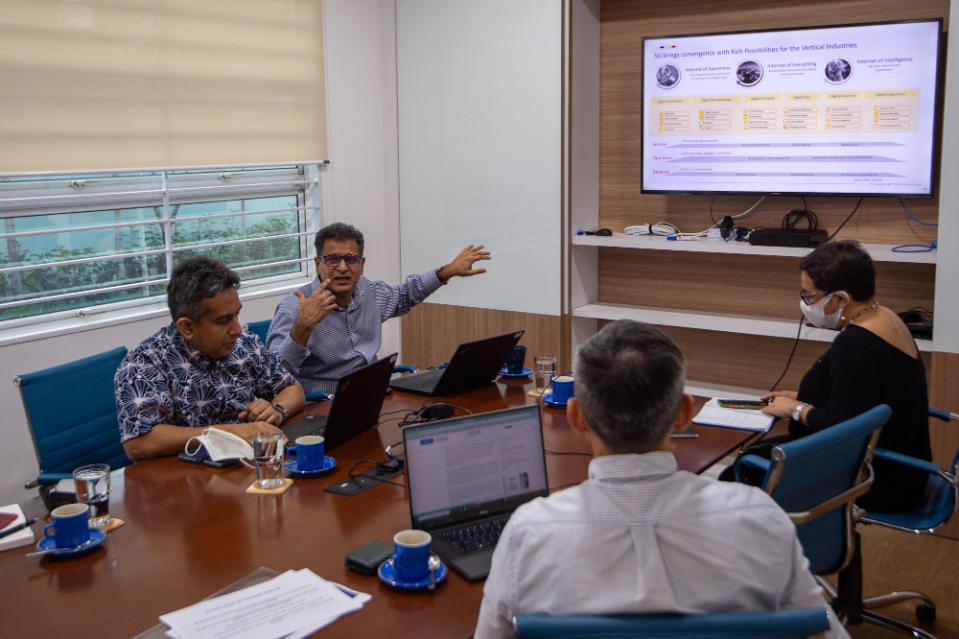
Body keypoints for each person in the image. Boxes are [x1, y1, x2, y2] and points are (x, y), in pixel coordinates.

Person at [473, 320, 847, 639]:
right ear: (685, 412)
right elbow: (821, 627)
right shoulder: (760, 517)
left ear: (576, 415)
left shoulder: (530, 531)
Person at [758, 240, 931, 512]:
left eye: (809, 296)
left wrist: (796, 409)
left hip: (875, 476)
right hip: (902, 468)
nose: (805, 303)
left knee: (746, 465)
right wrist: (802, 396)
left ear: (839, 299)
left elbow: (845, 429)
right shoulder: (885, 317)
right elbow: (866, 398)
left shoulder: (855, 346)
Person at [115, 256, 305, 461]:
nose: (237, 329)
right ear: (187, 327)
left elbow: (292, 389)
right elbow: (139, 442)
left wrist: (277, 410)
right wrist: (225, 434)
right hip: (188, 480)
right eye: (223, 320)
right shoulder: (145, 363)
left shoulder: (245, 343)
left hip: (252, 466)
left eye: (236, 315)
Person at [266, 222, 490, 395]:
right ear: (318, 264)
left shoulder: (368, 291)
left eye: (351, 259)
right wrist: (303, 328)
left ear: (361, 265)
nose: (343, 268)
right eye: (333, 259)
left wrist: (445, 272)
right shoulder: (294, 307)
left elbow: (405, 295)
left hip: (372, 394)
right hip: (322, 405)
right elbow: (272, 375)